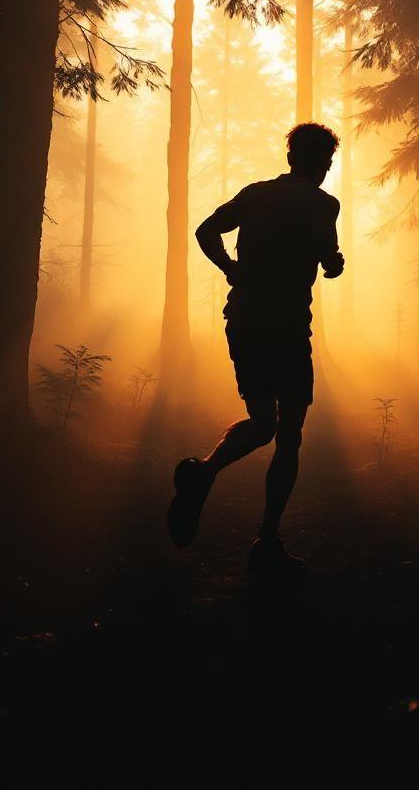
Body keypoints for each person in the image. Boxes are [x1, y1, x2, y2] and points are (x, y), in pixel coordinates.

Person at [167, 122, 345, 572]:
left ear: (290, 158)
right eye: (326, 162)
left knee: (261, 423)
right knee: (287, 436)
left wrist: (230, 266)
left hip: (244, 322)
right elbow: (323, 237)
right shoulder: (322, 202)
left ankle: (204, 473)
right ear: (322, 164)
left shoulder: (255, 194)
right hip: (287, 329)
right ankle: (267, 539)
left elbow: (206, 229)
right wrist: (332, 260)